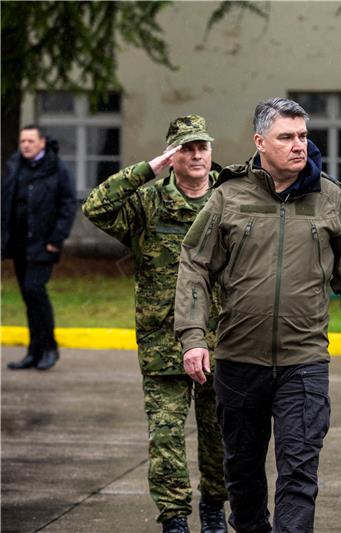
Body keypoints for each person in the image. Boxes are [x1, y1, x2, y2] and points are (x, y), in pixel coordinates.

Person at [174, 98, 341, 533]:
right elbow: (194, 264)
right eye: (286, 137)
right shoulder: (228, 196)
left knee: (299, 473)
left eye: (303, 136)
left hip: (303, 363)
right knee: (244, 477)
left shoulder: (331, 198)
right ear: (260, 142)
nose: (298, 145)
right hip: (238, 362)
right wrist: (193, 336)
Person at [82, 115, 228, 533]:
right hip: (163, 342)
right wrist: (148, 169)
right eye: (186, 148)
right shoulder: (149, 204)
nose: (196, 154)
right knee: (165, 438)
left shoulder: (228, 199)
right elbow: (96, 207)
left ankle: (215, 507)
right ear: (173, 155)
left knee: (220, 435)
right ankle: (175, 518)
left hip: (222, 339)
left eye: (202, 146)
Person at [2, 125, 76, 371]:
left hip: (44, 243)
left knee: (36, 291)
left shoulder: (56, 168)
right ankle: (33, 351)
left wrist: (57, 239)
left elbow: (67, 205)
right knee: (28, 297)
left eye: (31, 141)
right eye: (22, 141)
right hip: (19, 244)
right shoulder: (15, 166)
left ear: (42, 142)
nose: (25, 145)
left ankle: (49, 347)